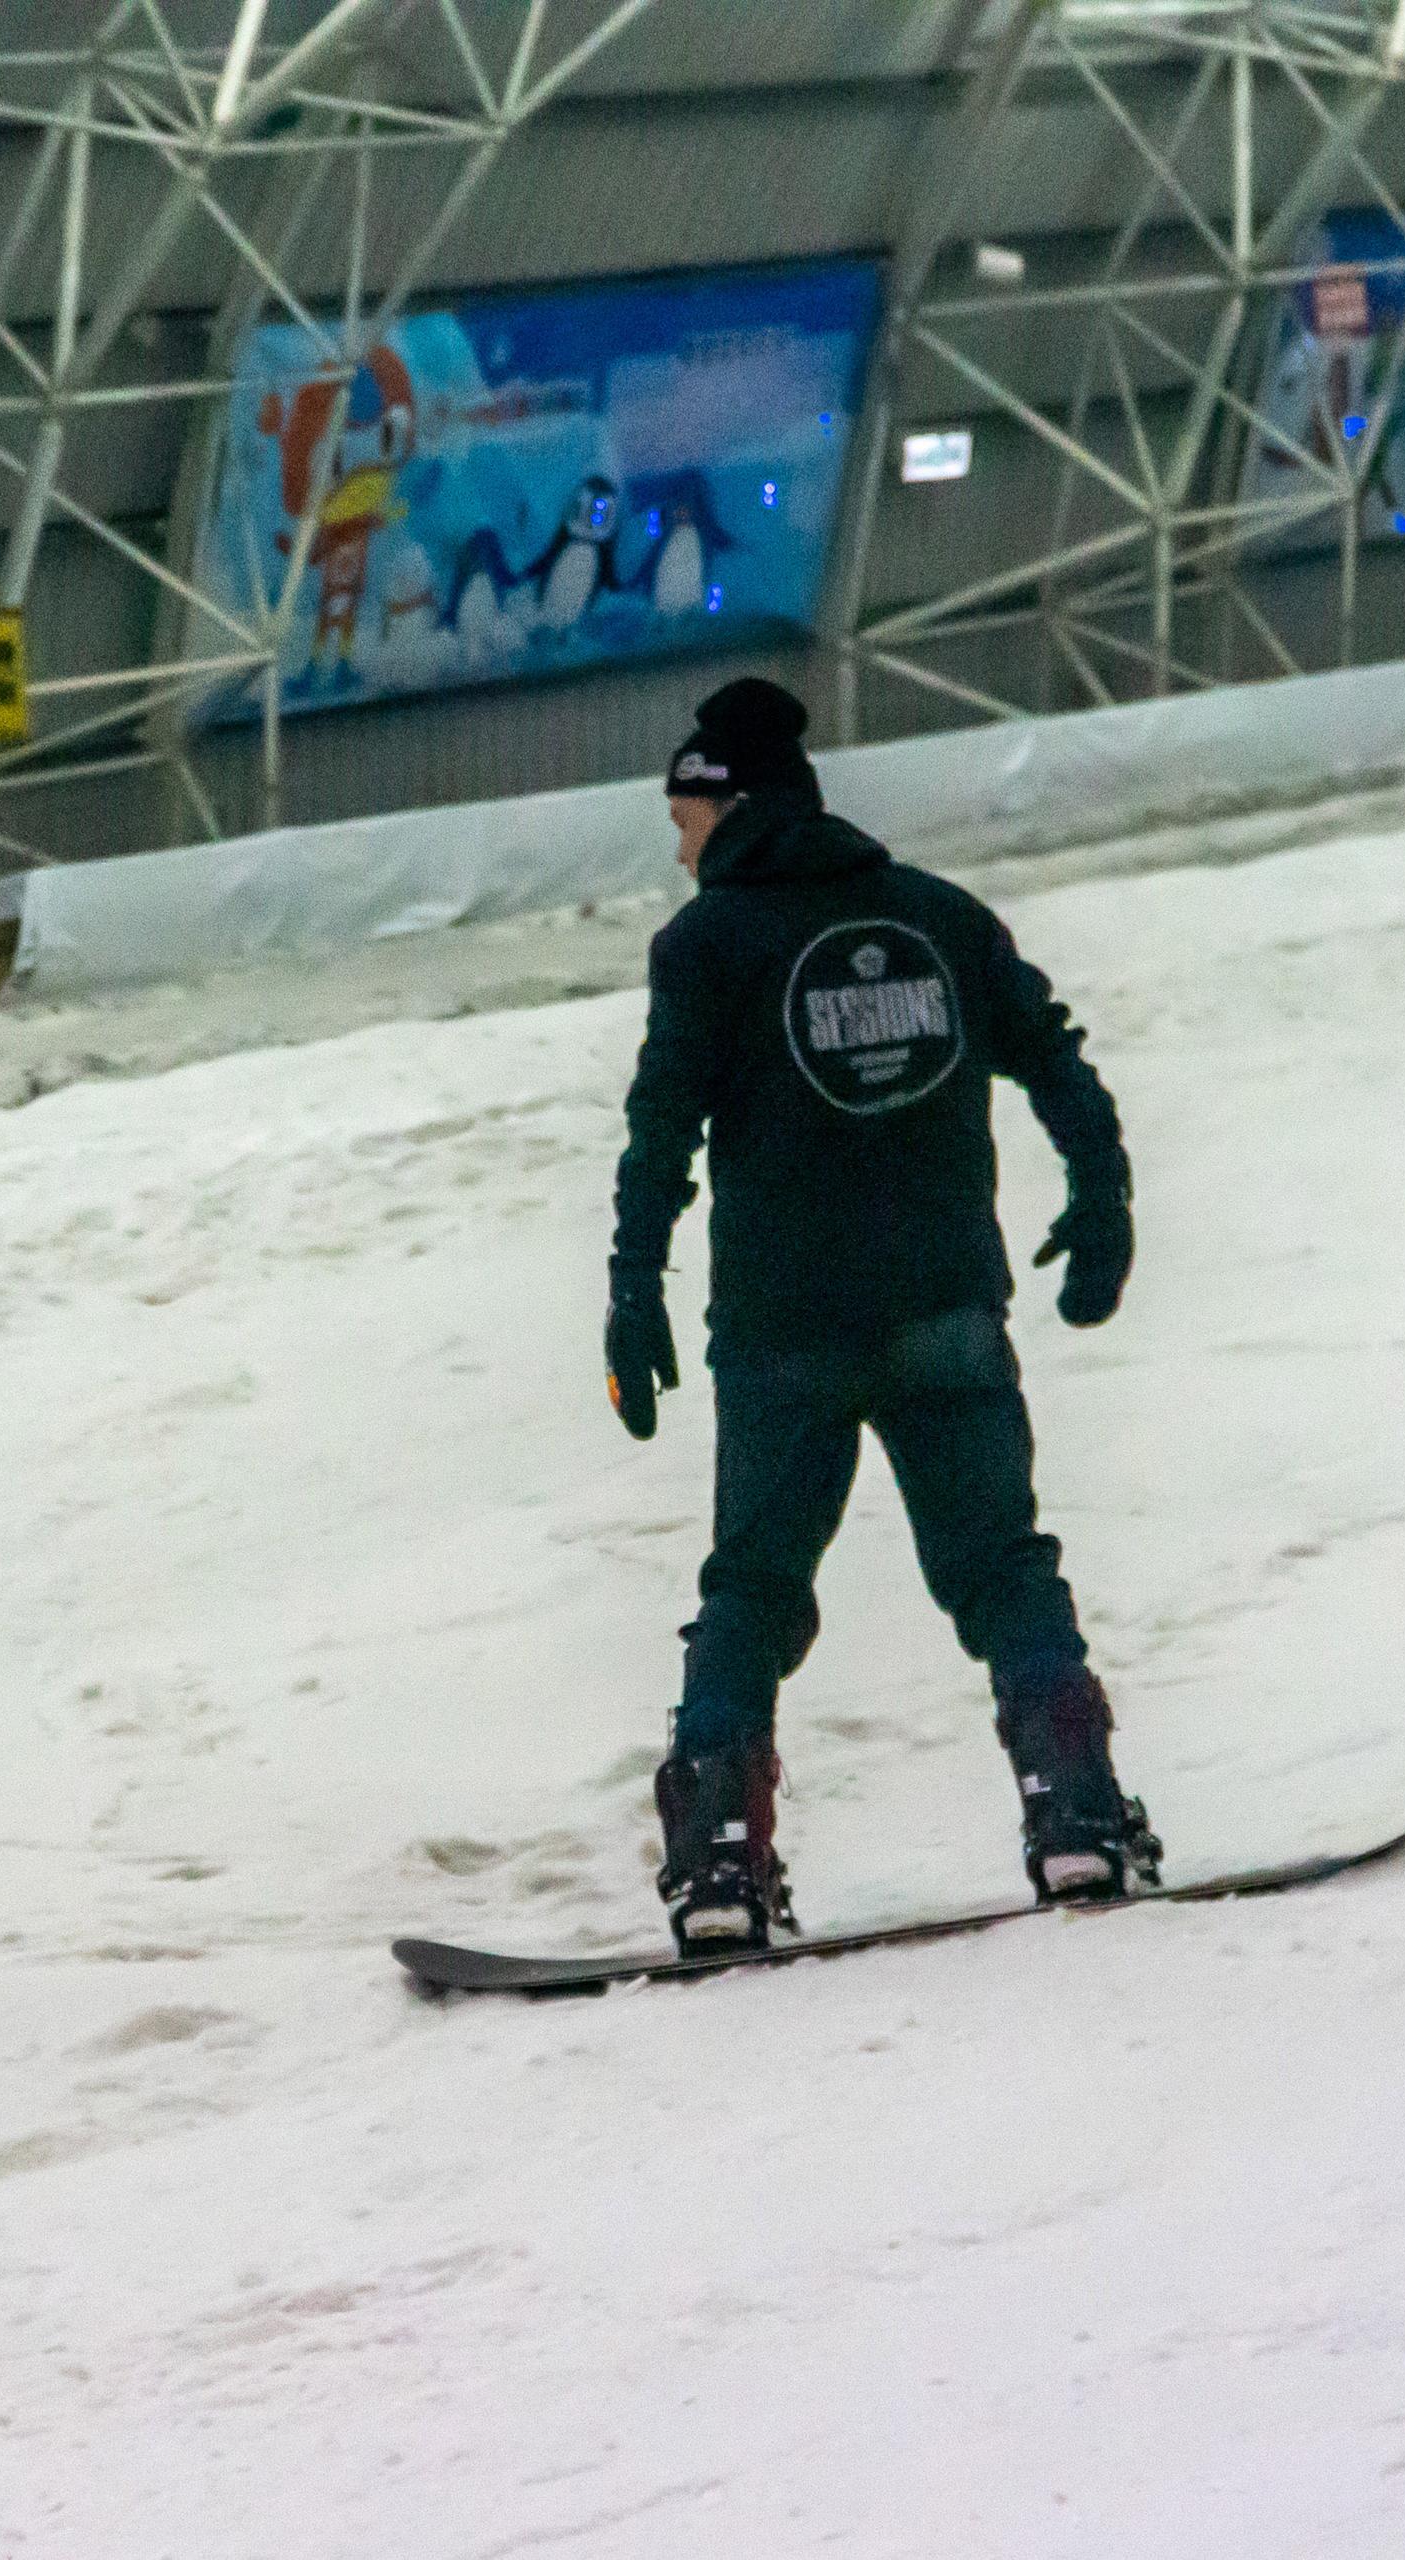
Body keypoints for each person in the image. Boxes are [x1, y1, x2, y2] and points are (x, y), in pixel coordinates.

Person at [605, 675, 1154, 1948]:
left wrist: (635, 1283)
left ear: (726, 801)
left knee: (749, 1590)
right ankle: (1077, 1814)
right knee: (1003, 1569)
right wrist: (1103, 1190)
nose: (676, 842)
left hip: (783, 1329)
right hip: (943, 1306)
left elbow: (658, 1133)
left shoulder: (707, 949)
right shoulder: (936, 917)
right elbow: (1057, 1057)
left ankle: (720, 1871)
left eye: (681, 815)